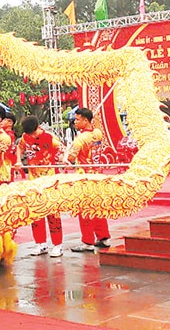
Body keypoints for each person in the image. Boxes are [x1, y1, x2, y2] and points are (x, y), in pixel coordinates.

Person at [15, 115, 63, 258]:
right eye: (30, 134)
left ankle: (57, 245)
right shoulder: (25, 137)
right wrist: (18, 160)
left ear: (38, 127)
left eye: (34, 133)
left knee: (53, 213)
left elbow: (61, 150)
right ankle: (41, 243)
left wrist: (63, 159)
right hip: (33, 181)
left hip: (49, 181)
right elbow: (20, 147)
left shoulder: (49, 138)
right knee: (36, 212)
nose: (32, 136)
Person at [68, 108, 112, 252]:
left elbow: (70, 158)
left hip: (84, 178)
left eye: (77, 119)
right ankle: (104, 237)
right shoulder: (97, 134)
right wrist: (97, 119)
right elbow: (98, 127)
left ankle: (87, 241)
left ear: (85, 120)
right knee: (98, 207)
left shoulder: (80, 139)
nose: (75, 122)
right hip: (97, 176)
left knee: (85, 209)